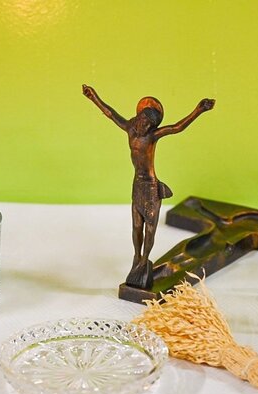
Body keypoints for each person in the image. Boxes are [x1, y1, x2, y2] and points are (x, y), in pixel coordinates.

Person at [82, 84, 215, 288]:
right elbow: (110, 113)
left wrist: (199, 110)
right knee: (137, 226)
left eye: (149, 124)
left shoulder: (152, 136)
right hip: (137, 185)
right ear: (139, 117)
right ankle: (137, 257)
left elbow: (177, 127)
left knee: (150, 229)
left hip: (151, 187)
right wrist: (93, 97)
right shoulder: (130, 128)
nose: (144, 125)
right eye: (143, 120)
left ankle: (145, 260)